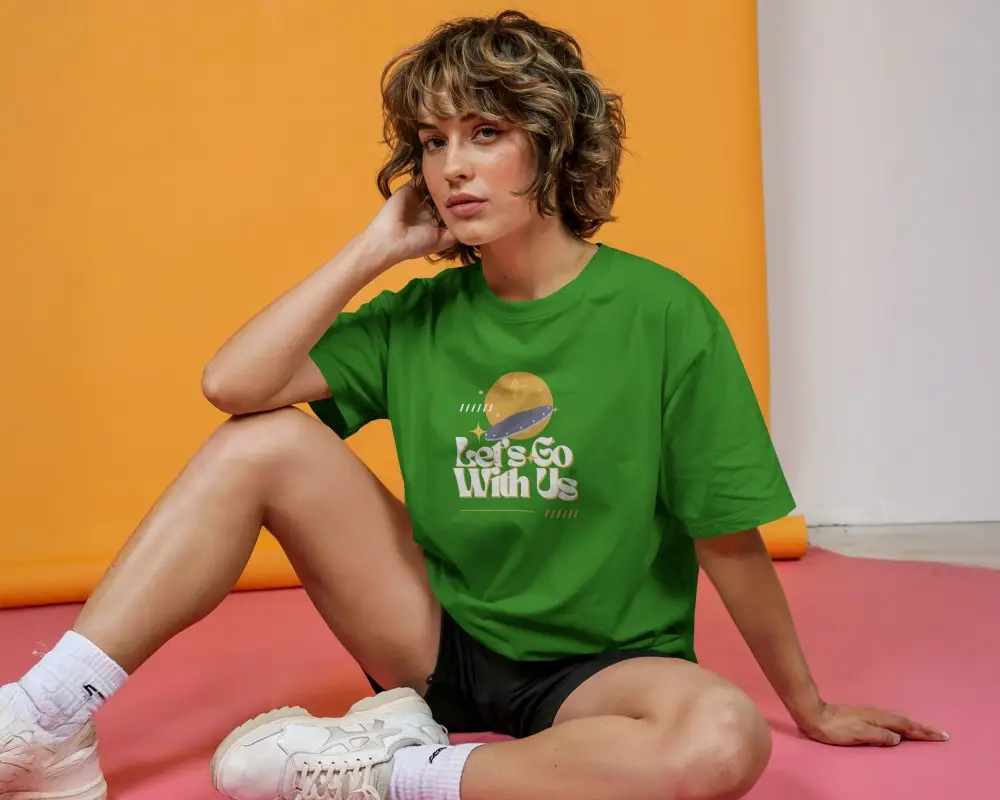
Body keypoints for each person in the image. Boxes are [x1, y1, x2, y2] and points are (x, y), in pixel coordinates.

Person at [0, 9, 947, 800]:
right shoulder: (422, 313)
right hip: (435, 641)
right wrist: (373, 251)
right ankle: (47, 720)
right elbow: (233, 386)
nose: (453, 166)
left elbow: (726, 536)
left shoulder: (663, 314)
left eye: (486, 133)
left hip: (601, 675)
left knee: (724, 738)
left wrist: (809, 704)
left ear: (554, 143)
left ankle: (392, 773)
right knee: (261, 444)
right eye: (433, 142)